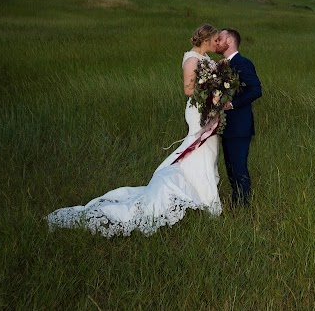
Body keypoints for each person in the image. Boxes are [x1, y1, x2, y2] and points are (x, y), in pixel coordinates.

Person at [46, 24, 223, 237]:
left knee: (207, 150)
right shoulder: (192, 59)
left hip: (207, 109)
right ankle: (203, 198)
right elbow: (188, 89)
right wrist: (211, 89)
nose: (217, 43)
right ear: (206, 40)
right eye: (214, 39)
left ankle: (203, 195)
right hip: (198, 110)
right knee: (201, 148)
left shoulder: (205, 59)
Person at [214, 28, 262, 207]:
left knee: (238, 167)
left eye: (220, 38)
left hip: (240, 125)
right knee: (230, 167)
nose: (217, 42)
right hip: (226, 125)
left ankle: (243, 205)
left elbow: (256, 90)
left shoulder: (243, 63)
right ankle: (237, 202)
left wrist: (232, 103)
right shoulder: (221, 65)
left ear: (230, 41)